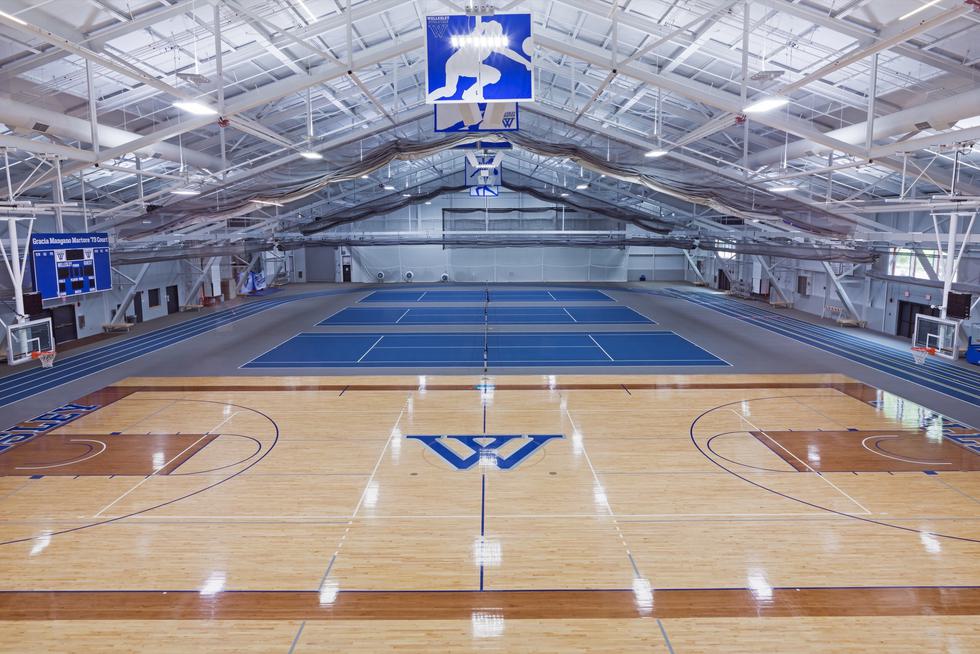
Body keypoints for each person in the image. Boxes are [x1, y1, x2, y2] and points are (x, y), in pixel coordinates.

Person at [428, 19, 531, 103]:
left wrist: (526, 63)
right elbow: (476, 31)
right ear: (489, 33)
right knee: (449, 91)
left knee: (494, 75)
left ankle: (469, 92)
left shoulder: (492, 45)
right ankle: (429, 98)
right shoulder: (476, 38)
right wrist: (481, 27)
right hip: (454, 64)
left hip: (468, 66)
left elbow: (509, 53)